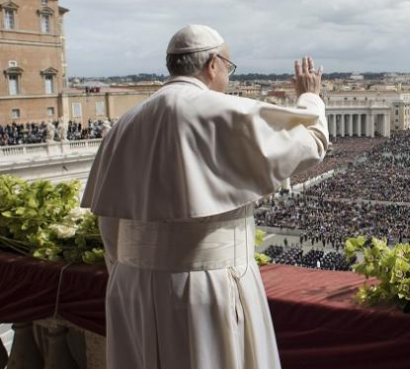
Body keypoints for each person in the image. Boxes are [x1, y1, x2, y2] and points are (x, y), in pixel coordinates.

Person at [81, 24, 328, 369]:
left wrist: (133, 272)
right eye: (229, 66)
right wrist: (310, 96)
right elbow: (311, 143)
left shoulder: (123, 124)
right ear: (214, 64)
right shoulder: (225, 112)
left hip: (131, 287)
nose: (227, 73)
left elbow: (109, 223)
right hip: (206, 286)